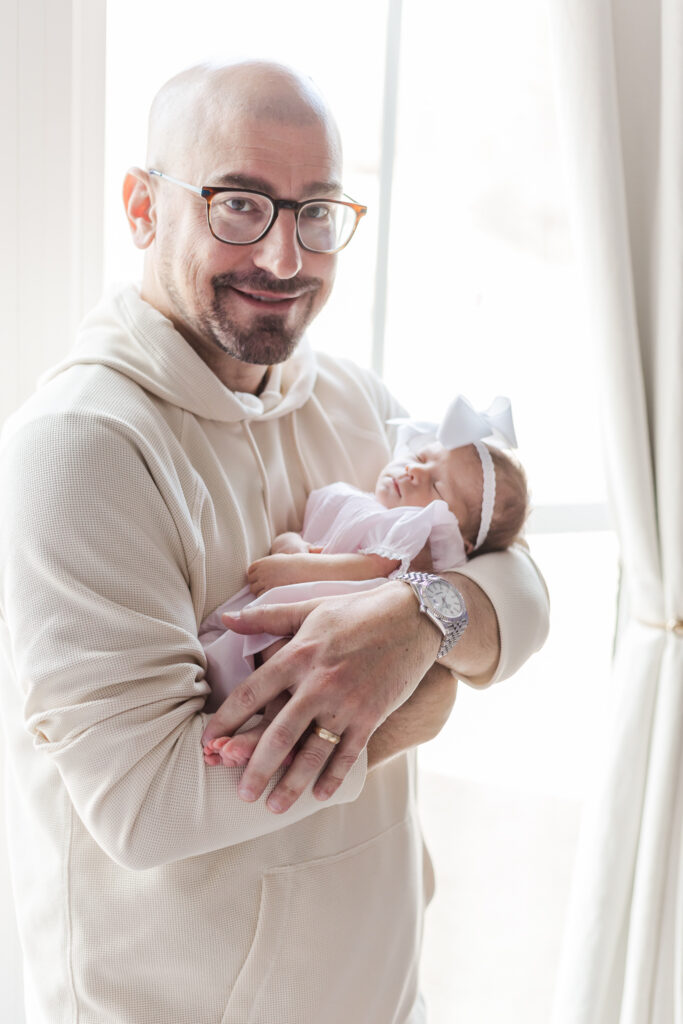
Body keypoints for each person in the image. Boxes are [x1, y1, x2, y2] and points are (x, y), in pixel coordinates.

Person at [0, 60, 549, 1024]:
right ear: (141, 208)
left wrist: (422, 618)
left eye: (316, 211)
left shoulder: (350, 397)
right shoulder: (81, 447)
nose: (288, 259)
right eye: (239, 204)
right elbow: (149, 806)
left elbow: (525, 595)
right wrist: (414, 702)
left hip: (380, 997)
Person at [199, 429, 529, 733]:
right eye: (420, 458)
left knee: (284, 657)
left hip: (332, 618)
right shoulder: (361, 505)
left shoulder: (409, 528)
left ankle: (269, 729)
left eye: (438, 486)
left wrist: (300, 567)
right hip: (301, 604)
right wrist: (292, 546)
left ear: (457, 535)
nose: (415, 472)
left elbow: (367, 568)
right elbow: (305, 533)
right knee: (270, 654)